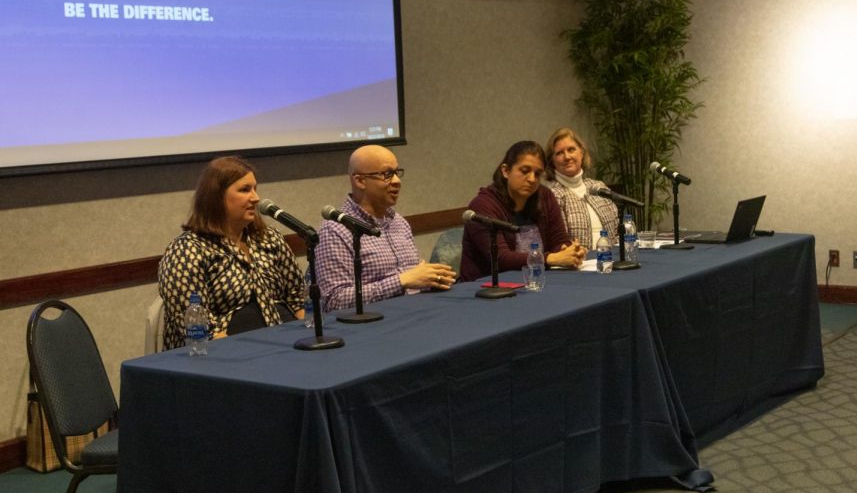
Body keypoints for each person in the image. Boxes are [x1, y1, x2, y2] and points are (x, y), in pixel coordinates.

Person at [158, 156, 305, 350]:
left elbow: (298, 299)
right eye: (245, 190)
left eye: (255, 188)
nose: (256, 197)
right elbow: (199, 329)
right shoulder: (187, 251)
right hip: (224, 357)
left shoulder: (269, 238)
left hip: (283, 346)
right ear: (216, 197)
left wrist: (306, 337)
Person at [315, 145, 457, 312]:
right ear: (360, 181)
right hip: (372, 326)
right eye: (386, 174)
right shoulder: (336, 230)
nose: (397, 181)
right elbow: (334, 301)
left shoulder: (399, 223)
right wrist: (401, 281)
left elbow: (413, 280)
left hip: (415, 313)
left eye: (397, 172)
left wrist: (431, 279)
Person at [459, 140, 586, 282]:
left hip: (536, 281)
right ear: (506, 171)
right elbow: (501, 259)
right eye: (525, 171)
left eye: (537, 174)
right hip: (487, 288)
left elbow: (559, 241)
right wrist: (550, 258)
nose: (532, 179)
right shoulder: (482, 205)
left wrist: (570, 251)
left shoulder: (545, 196)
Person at [544, 127, 620, 248]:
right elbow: (560, 244)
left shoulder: (598, 187)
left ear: (581, 153)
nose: (567, 157)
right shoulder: (550, 194)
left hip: (609, 261)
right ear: (552, 161)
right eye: (559, 153)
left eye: (571, 149)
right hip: (575, 264)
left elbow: (615, 234)